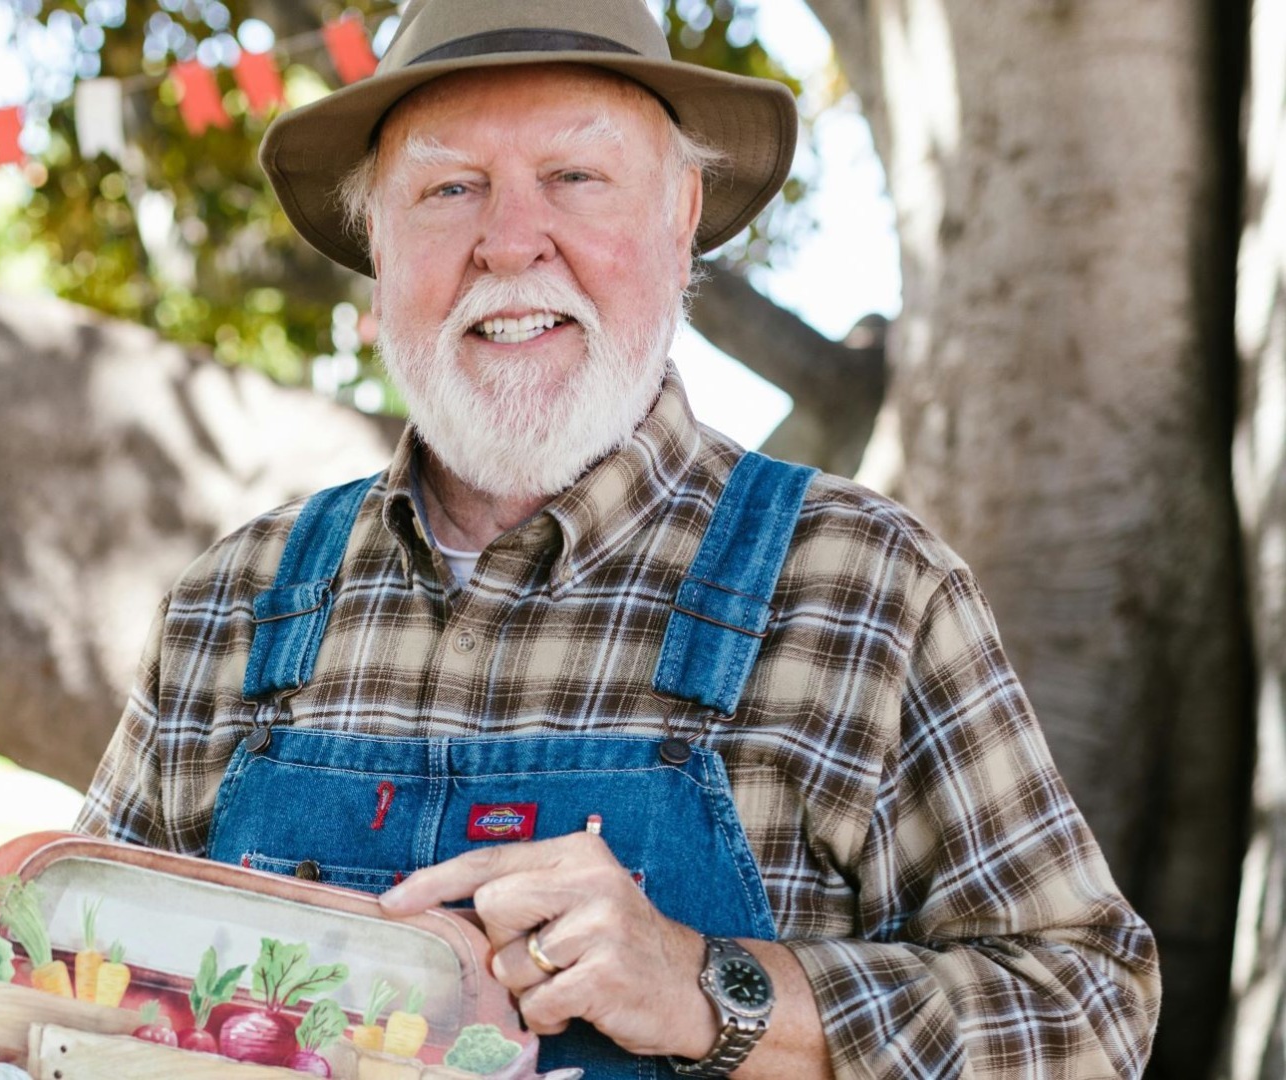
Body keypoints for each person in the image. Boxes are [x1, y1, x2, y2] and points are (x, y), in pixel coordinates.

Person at [75, 0, 1161, 1075]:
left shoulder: (865, 584)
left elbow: (1089, 1013)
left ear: (682, 215)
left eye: (575, 178)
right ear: (377, 240)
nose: (509, 242)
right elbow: (70, 965)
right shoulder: (234, 603)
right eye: (449, 188)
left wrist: (708, 986)